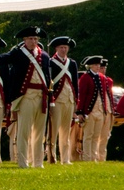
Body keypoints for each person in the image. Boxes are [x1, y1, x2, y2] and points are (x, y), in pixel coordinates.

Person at [0, 26, 50, 168]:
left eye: (36, 39)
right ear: (24, 39)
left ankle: (38, 162)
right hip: (26, 96)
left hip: (41, 96)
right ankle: (23, 162)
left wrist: (50, 98)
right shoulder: (18, 53)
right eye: (30, 38)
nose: (33, 41)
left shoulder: (44, 56)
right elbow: (3, 58)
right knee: (24, 131)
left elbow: (48, 79)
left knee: (39, 132)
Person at [48, 36, 78, 164]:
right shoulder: (50, 62)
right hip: (57, 99)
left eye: (65, 47)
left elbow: (75, 83)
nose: (64, 50)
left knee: (66, 130)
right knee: (53, 130)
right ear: (56, 48)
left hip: (69, 99)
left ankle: (65, 159)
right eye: (61, 47)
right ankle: (51, 156)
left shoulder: (72, 63)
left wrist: (77, 101)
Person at [76, 55, 110, 162]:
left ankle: (94, 158)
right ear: (90, 66)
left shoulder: (101, 78)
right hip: (89, 111)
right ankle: (87, 158)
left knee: (96, 136)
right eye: (95, 64)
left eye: (98, 64)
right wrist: (80, 111)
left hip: (100, 111)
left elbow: (103, 96)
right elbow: (82, 95)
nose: (97, 66)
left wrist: (104, 110)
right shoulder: (85, 77)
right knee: (88, 136)